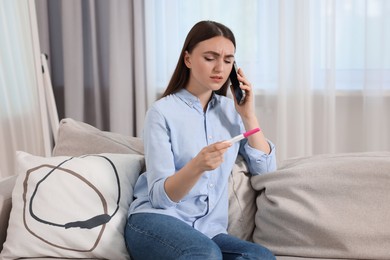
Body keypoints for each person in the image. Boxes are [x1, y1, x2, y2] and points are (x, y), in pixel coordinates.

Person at [124, 20, 277, 260]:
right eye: (210, 58)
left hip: (209, 231)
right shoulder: (161, 112)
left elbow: (267, 170)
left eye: (228, 60)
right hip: (155, 221)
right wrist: (197, 165)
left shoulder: (232, 112)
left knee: (260, 256)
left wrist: (248, 116)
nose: (220, 68)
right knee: (204, 254)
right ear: (188, 59)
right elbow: (160, 198)